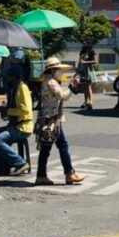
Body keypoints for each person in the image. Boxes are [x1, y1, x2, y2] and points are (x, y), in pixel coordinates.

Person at [34, 58, 86, 186]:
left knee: (48, 148)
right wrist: (71, 87)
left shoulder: (49, 81)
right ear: (53, 70)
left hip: (50, 118)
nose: (61, 72)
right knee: (60, 146)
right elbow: (61, 95)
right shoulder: (51, 82)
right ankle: (69, 173)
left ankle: (43, 175)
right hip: (51, 119)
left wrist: (70, 87)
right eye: (59, 70)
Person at [0, 65, 33, 175]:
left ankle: (20, 163)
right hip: (16, 125)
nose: (7, 79)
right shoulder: (14, 88)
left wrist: (8, 111)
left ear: (14, 77)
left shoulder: (22, 88)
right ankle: (5, 163)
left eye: (8, 77)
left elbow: (25, 110)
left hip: (22, 127)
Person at [77, 43, 97, 111]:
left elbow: (95, 61)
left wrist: (85, 62)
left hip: (89, 71)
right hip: (82, 70)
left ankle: (90, 102)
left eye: (85, 43)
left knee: (88, 87)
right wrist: (78, 69)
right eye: (83, 43)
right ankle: (86, 102)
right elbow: (79, 61)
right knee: (84, 87)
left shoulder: (92, 51)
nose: (83, 44)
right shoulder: (82, 51)